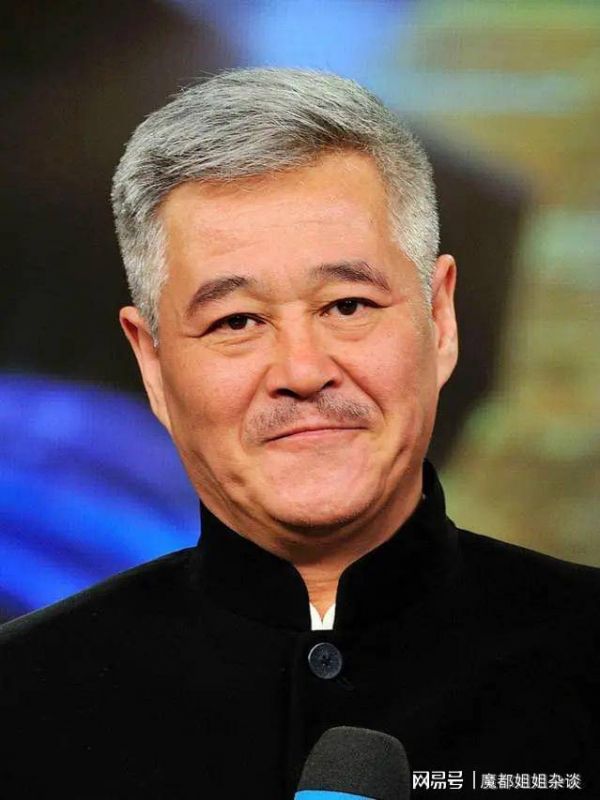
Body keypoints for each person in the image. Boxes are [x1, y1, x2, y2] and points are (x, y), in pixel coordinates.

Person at [1, 68, 598, 799]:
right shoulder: (22, 696)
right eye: (237, 321)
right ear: (152, 363)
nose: (304, 371)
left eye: (347, 305)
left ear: (440, 320)